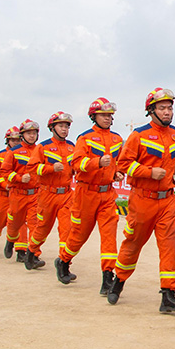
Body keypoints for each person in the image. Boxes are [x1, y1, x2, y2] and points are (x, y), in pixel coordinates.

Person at [106, 88, 175, 313]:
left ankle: (168, 294)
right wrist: (149, 172)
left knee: (169, 244)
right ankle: (119, 280)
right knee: (133, 243)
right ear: (151, 111)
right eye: (162, 108)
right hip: (142, 200)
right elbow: (124, 164)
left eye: (169, 108)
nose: (167, 112)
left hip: (167, 200)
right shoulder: (138, 135)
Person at [57, 98, 124, 289]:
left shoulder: (117, 139)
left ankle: (107, 276)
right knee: (79, 234)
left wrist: (118, 172)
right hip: (85, 193)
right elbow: (76, 163)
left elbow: (120, 162)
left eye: (109, 115)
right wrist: (97, 163)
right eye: (103, 115)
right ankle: (63, 260)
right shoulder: (84, 138)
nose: (107, 118)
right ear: (94, 116)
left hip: (107, 194)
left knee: (109, 235)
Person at [23, 112, 75, 271]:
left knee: (67, 229)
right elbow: (31, 168)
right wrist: (50, 168)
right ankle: (31, 251)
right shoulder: (43, 147)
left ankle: (64, 263)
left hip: (66, 195)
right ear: (52, 128)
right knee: (42, 228)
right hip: (47, 194)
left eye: (66, 126)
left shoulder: (72, 147)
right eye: (61, 126)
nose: (64, 129)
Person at [3, 119, 41, 263]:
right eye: (28, 133)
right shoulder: (14, 152)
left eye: (34, 133)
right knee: (15, 223)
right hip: (18, 194)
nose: (31, 136)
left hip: (35, 195)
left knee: (35, 224)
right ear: (22, 135)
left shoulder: (40, 150)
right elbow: (5, 171)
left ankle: (33, 254)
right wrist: (18, 178)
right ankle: (10, 240)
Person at [0, 127, 20, 256]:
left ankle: (19, 250)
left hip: (19, 195)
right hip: (3, 195)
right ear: (8, 141)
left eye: (18, 140)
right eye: (13, 140)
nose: (16, 142)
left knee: (19, 222)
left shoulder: (25, 154)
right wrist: (4, 185)